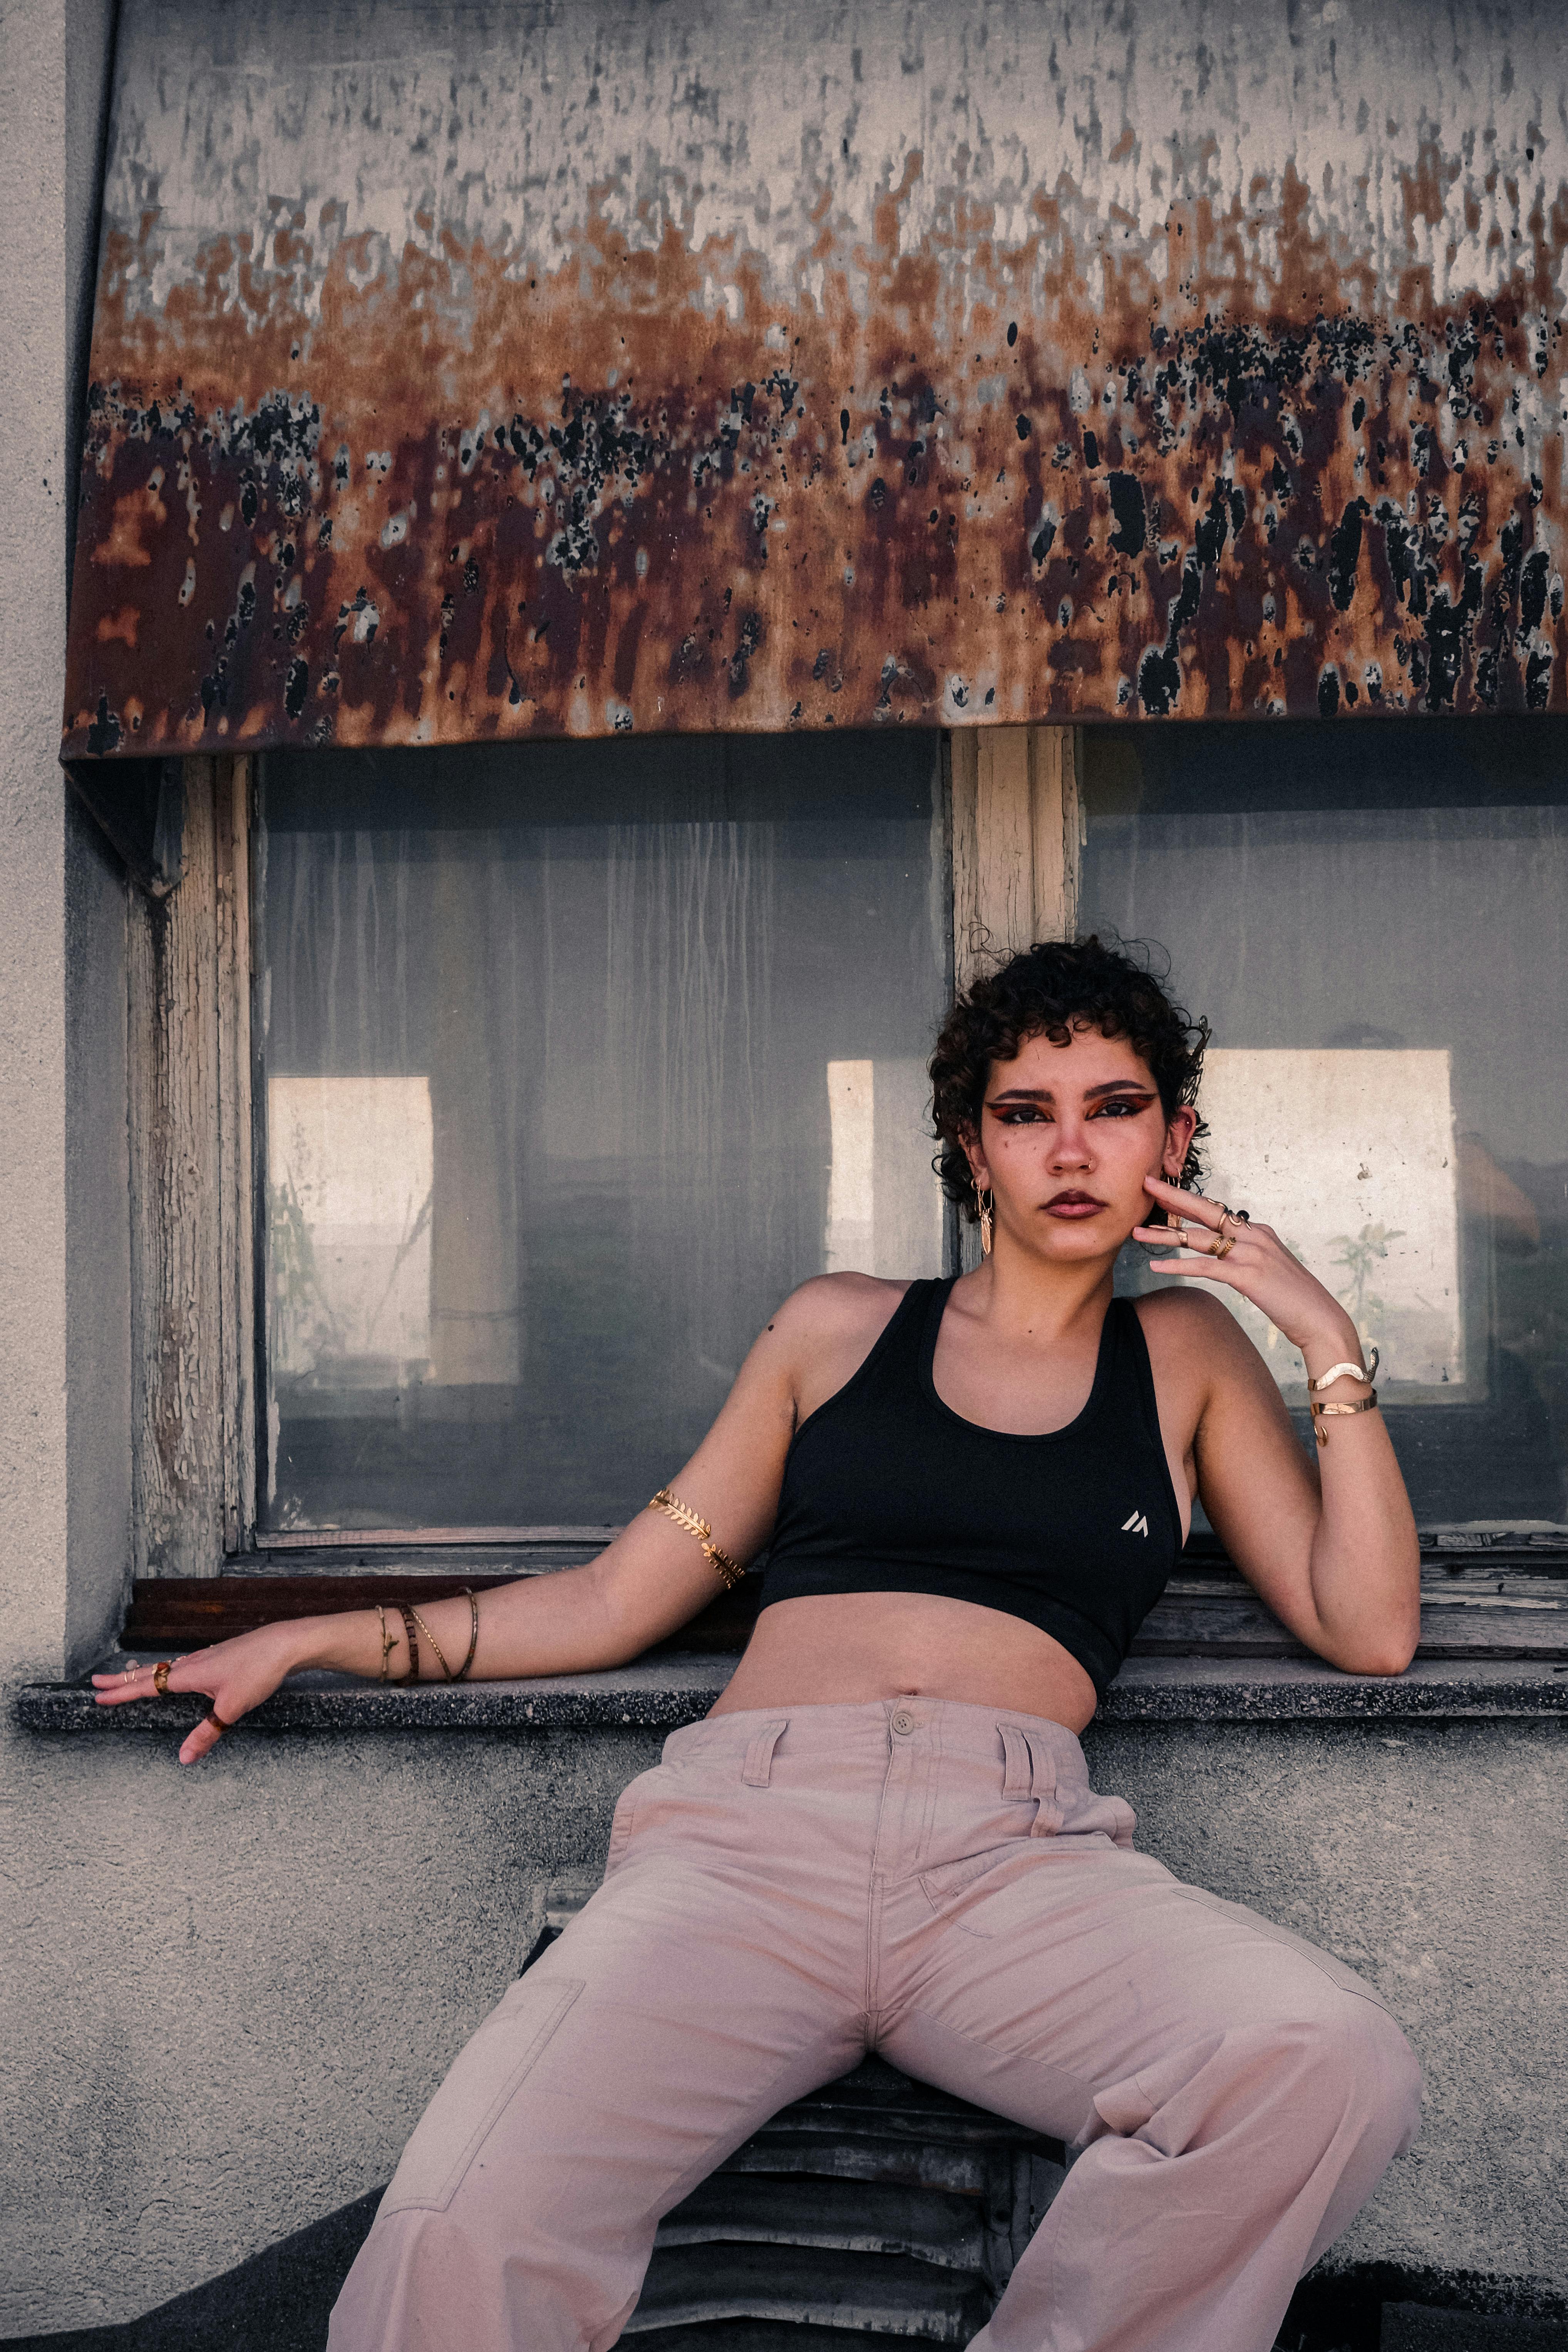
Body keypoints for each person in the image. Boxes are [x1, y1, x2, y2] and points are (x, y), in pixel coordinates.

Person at [96, 936, 1424, 2352]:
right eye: (1026, 1112)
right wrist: (313, 1635)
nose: (1071, 1148)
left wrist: (1323, 1331)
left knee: (1329, 2059)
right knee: (461, 2213)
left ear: (1178, 1132)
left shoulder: (1190, 1354)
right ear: (971, 1146)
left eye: (1113, 1104)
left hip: (1015, 1862)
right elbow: (616, 1599)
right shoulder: (834, 1330)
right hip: (743, 1846)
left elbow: (1371, 1624)